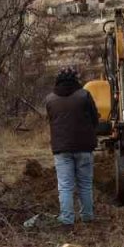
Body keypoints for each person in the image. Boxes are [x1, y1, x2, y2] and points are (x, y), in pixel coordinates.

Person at [44, 67, 99, 225]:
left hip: (61, 149)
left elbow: (51, 121)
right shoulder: (84, 95)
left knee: (65, 185)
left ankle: (67, 218)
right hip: (84, 147)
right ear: (75, 79)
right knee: (85, 184)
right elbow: (95, 119)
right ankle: (87, 216)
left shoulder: (50, 99)